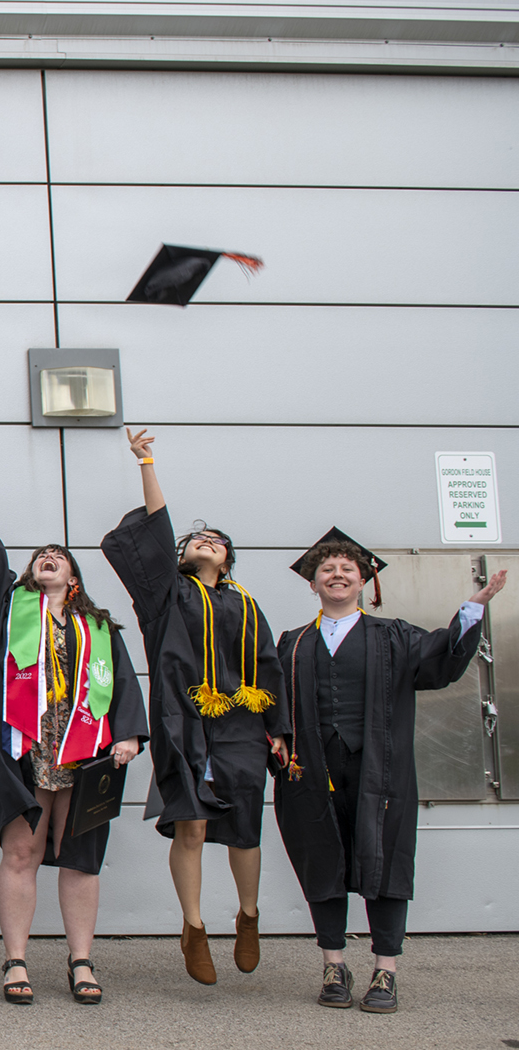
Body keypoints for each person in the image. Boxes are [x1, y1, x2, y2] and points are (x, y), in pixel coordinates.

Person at [274, 534, 504, 1013]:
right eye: (327, 569)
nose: (337, 575)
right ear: (312, 583)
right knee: (322, 861)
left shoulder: (395, 636)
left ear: (364, 580)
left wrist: (472, 608)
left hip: (382, 773)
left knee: (386, 862)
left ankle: (385, 969)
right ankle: (334, 964)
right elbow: (273, 702)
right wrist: (273, 737)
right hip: (312, 773)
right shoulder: (293, 642)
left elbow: (440, 662)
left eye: (347, 569)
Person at [0, 465, 147, 1006]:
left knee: (82, 856)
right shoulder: (12, 611)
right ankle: (15, 959)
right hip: (27, 749)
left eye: (58, 556)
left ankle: (81, 960)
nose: (48, 558)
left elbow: (126, 685)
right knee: (22, 853)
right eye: (41, 555)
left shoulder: (102, 627)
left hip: (87, 753)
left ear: (74, 578)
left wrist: (128, 734)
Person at [101, 428, 284, 986]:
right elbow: (156, 533)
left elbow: (269, 666)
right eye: (194, 539)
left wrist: (278, 730)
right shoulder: (167, 596)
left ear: (228, 559)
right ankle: (194, 925)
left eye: (215, 540)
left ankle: (248, 916)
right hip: (185, 723)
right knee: (194, 828)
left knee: (246, 828)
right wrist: (147, 462)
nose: (203, 542)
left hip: (242, 725)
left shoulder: (246, 605)